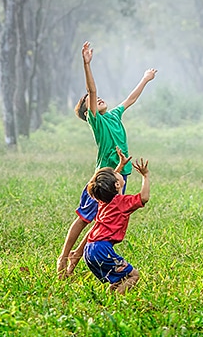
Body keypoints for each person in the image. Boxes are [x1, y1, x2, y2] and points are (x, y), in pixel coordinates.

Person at [57, 41, 157, 277]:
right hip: (103, 177)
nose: (97, 98)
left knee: (104, 218)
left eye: (97, 98)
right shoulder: (97, 121)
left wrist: (145, 79)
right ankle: (64, 257)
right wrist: (86, 64)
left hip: (120, 175)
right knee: (84, 217)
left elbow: (130, 99)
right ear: (87, 111)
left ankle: (78, 256)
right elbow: (91, 90)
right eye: (90, 101)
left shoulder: (113, 115)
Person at [83, 157, 150, 294]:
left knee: (118, 279)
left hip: (89, 249)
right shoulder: (122, 203)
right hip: (102, 249)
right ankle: (116, 301)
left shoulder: (103, 200)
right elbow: (144, 197)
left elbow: (107, 184)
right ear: (117, 185)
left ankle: (109, 296)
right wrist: (145, 176)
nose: (117, 172)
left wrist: (120, 165)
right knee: (134, 275)